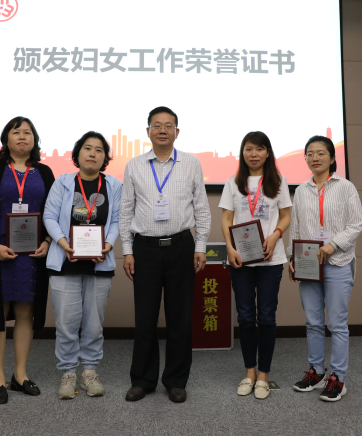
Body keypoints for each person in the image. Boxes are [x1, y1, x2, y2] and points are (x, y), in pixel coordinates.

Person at [120, 106, 211, 403]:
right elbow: (125, 211)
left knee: (180, 319)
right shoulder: (134, 165)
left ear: (177, 132)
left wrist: (200, 246)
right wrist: (127, 251)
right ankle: (142, 380)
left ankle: (175, 380)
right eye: (157, 125)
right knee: (145, 319)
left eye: (168, 125)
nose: (162, 130)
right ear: (148, 131)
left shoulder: (191, 163)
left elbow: (201, 208)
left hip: (181, 247)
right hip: (145, 250)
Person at [0, 116, 55, 404]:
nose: (22, 136)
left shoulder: (44, 172)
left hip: (32, 255)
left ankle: (20, 374)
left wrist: (47, 242)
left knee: (25, 312)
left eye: (27, 132)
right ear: (6, 138)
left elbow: (53, 213)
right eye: (16, 131)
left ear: (35, 140)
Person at [42, 132, 122, 399]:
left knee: (94, 323)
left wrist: (107, 244)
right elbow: (49, 215)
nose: (92, 153)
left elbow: (116, 220)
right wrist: (63, 243)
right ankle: (68, 373)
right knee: (66, 322)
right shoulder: (63, 182)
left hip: (99, 261)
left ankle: (89, 372)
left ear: (105, 158)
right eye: (87, 148)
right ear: (77, 154)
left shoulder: (114, 185)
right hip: (65, 260)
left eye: (99, 150)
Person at [288, 135, 362, 402]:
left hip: (338, 261)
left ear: (332, 158)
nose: (315, 158)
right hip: (309, 264)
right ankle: (317, 372)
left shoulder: (346, 187)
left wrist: (333, 245)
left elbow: (357, 224)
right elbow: (296, 227)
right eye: (310, 153)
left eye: (321, 153)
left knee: (337, 324)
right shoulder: (301, 190)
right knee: (313, 322)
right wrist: (292, 258)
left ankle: (338, 378)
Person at [219, 131, 291, 399]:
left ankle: (264, 376)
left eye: (259, 149)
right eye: (249, 149)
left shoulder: (279, 181)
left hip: (271, 259)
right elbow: (227, 219)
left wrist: (275, 235)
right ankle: (249, 372)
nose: (254, 154)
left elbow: (286, 216)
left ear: (267, 153)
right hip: (241, 259)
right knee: (246, 317)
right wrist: (229, 248)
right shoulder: (232, 183)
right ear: (243, 152)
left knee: (267, 317)